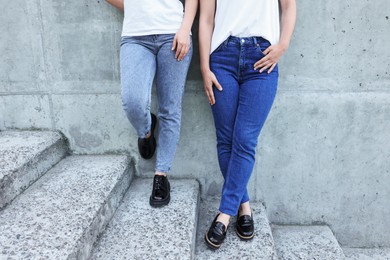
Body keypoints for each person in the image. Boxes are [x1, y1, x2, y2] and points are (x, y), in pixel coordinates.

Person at [199, 0, 296, 249]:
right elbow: (206, 19)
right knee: (226, 139)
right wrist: (204, 67)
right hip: (222, 57)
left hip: (262, 57)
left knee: (244, 139)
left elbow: (288, 6)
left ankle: (224, 213)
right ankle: (244, 207)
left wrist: (283, 45)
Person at [106, 0, 198, 207]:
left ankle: (161, 175)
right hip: (135, 37)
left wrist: (185, 28)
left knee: (170, 108)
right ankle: (146, 132)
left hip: (173, 33)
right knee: (132, 101)